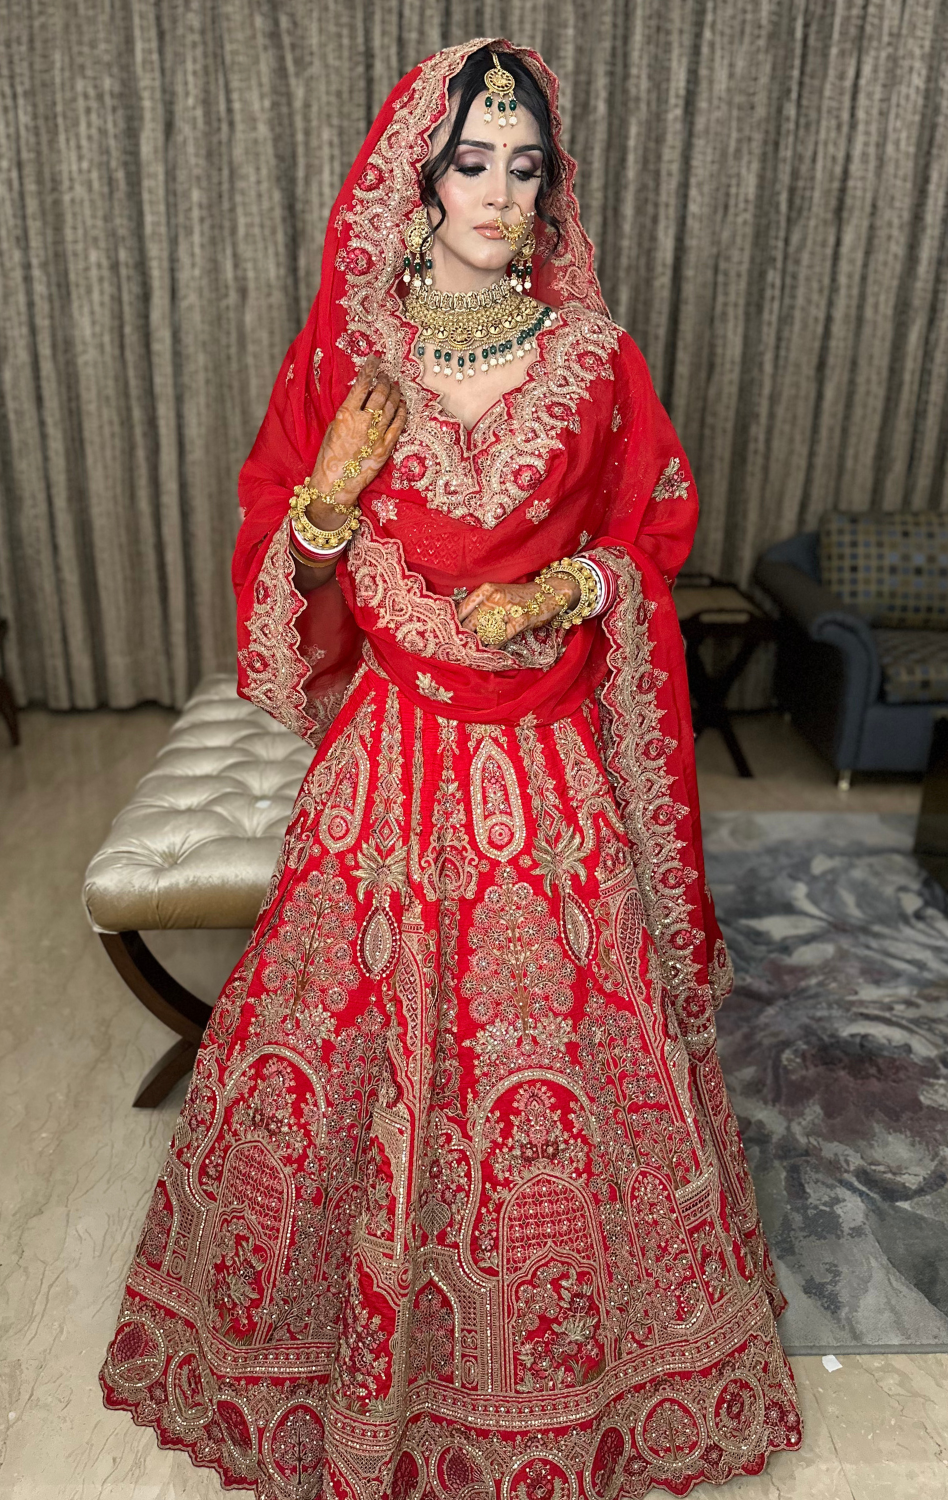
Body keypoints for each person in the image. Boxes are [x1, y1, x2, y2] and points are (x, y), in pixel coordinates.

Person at [100, 38, 802, 1500]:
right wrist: (323, 500)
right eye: (471, 160)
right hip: (392, 770)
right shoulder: (353, 359)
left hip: (542, 775)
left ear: (554, 189)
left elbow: (650, 540)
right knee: (354, 1070)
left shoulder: (598, 361)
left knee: (572, 1092)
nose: (498, 191)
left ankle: (574, 1388)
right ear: (416, 183)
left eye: (524, 164)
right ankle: (330, 1370)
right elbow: (283, 563)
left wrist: (560, 595)